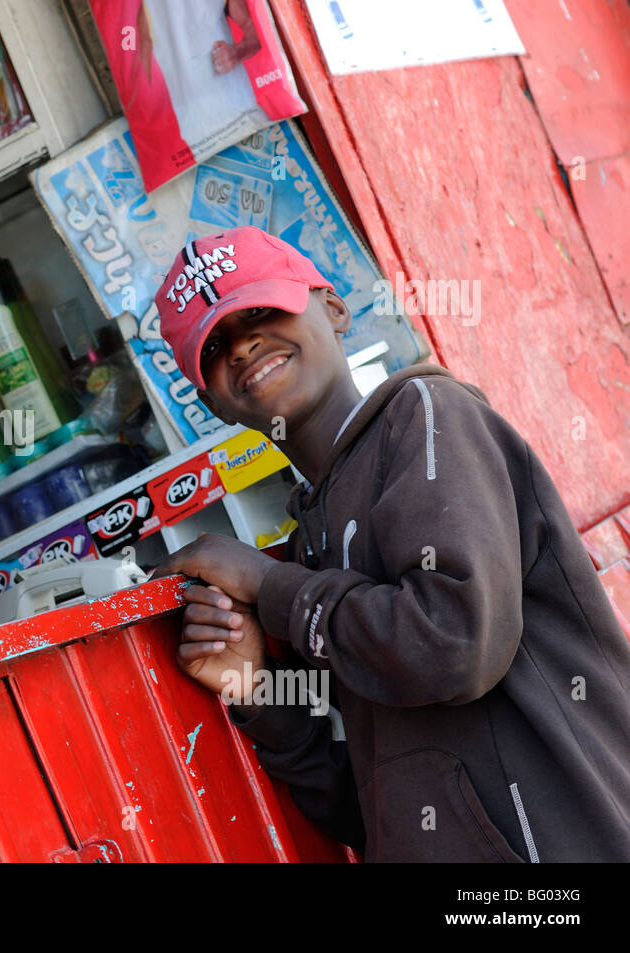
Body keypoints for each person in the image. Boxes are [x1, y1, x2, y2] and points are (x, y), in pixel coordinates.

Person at [150, 225, 630, 861]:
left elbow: (458, 645)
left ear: (333, 307)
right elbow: (368, 810)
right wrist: (258, 690)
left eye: (261, 310)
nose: (243, 346)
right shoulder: (308, 552)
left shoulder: (427, 417)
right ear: (213, 402)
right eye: (216, 345)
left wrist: (269, 587)